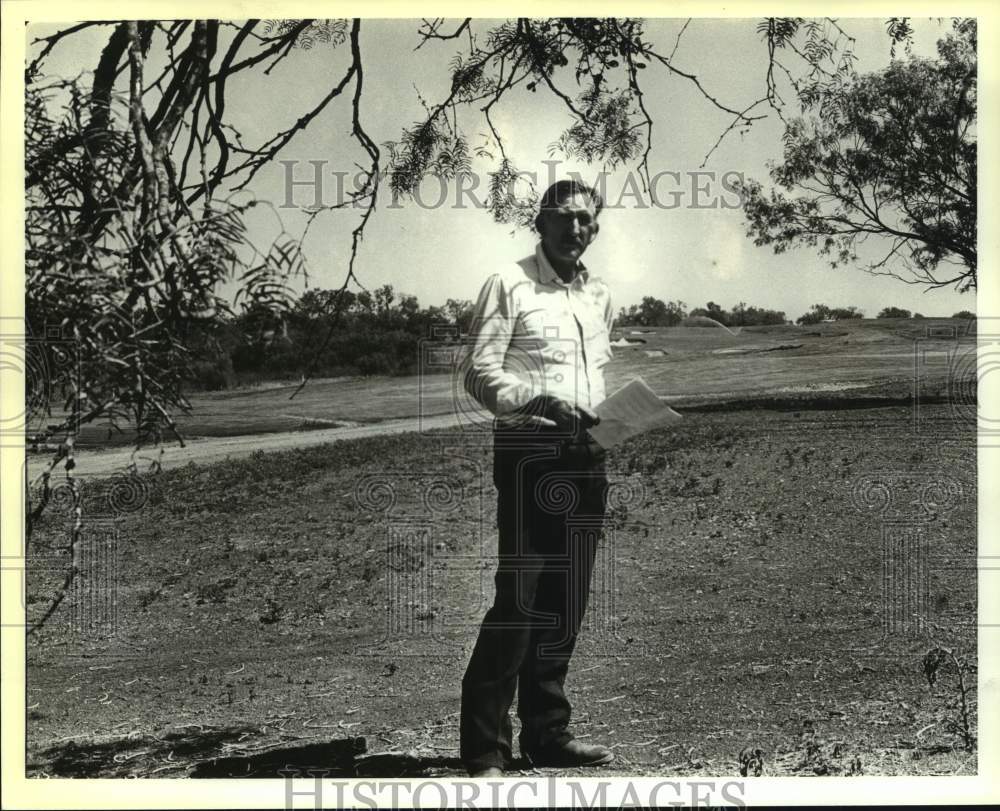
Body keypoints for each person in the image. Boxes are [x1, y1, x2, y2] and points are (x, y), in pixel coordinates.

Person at [459, 179, 615, 777]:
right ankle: (484, 749)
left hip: (589, 455)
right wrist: (541, 400)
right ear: (541, 223)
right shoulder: (509, 284)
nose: (577, 230)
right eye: (565, 218)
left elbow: (596, 373)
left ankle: (547, 733)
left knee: (565, 601)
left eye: (587, 221)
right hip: (529, 452)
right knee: (520, 601)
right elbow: (479, 373)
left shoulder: (599, 294)